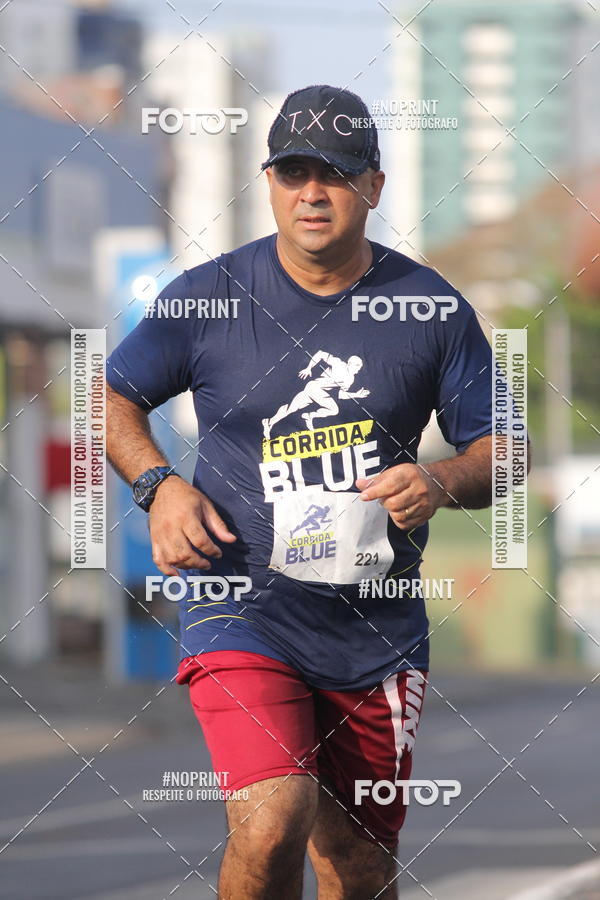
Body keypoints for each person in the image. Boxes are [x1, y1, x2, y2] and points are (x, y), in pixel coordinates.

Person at [106, 84, 524, 899]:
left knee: (358, 864)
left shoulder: (431, 307)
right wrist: (158, 487)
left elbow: (507, 450)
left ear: (373, 184)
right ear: (267, 181)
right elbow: (114, 393)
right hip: (242, 601)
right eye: (292, 172)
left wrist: (438, 480)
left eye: (332, 174)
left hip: (375, 628)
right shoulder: (209, 296)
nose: (311, 193)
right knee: (272, 822)